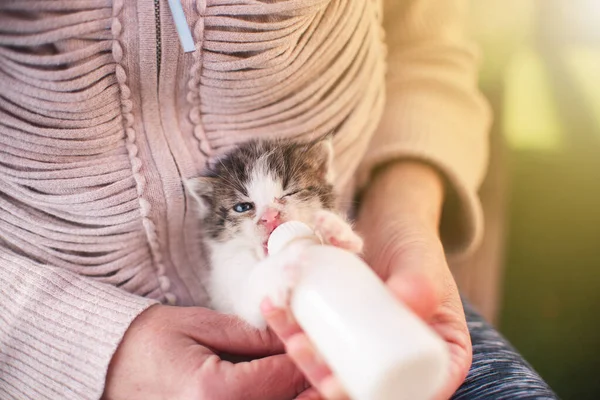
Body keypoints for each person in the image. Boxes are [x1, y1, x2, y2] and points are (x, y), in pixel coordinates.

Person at [0, 0, 557, 399]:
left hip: (375, 286)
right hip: (52, 357)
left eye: (284, 197)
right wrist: (63, 341)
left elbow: (423, 42)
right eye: (246, 209)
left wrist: (402, 215)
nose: (268, 217)